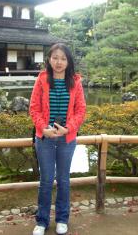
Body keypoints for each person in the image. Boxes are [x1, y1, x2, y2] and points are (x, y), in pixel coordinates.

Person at [29, 43, 86, 235]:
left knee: (63, 180)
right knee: (46, 180)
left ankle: (62, 219)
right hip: (44, 138)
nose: (59, 62)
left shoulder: (75, 82)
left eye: (63, 58)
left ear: (68, 61)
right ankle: (42, 221)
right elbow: (34, 108)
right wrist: (42, 128)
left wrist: (68, 128)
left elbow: (81, 110)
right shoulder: (42, 79)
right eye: (55, 57)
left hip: (66, 139)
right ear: (49, 59)